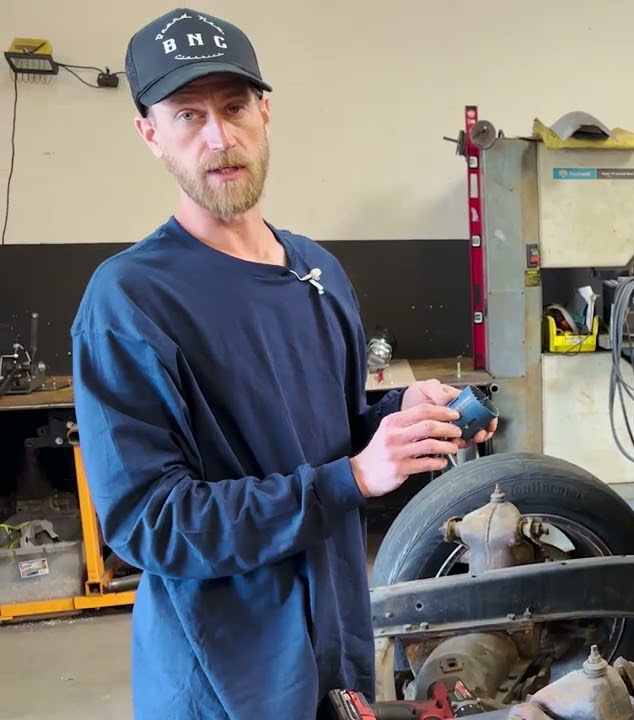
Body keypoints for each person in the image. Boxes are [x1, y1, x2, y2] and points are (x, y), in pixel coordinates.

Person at [70, 8, 497, 718]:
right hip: (224, 678)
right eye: (188, 115)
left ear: (265, 113)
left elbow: (331, 431)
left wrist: (406, 421)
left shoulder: (316, 271)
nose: (219, 136)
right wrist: (353, 477)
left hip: (336, 644)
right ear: (151, 133)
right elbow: (151, 520)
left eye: (234, 106)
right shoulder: (130, 300)